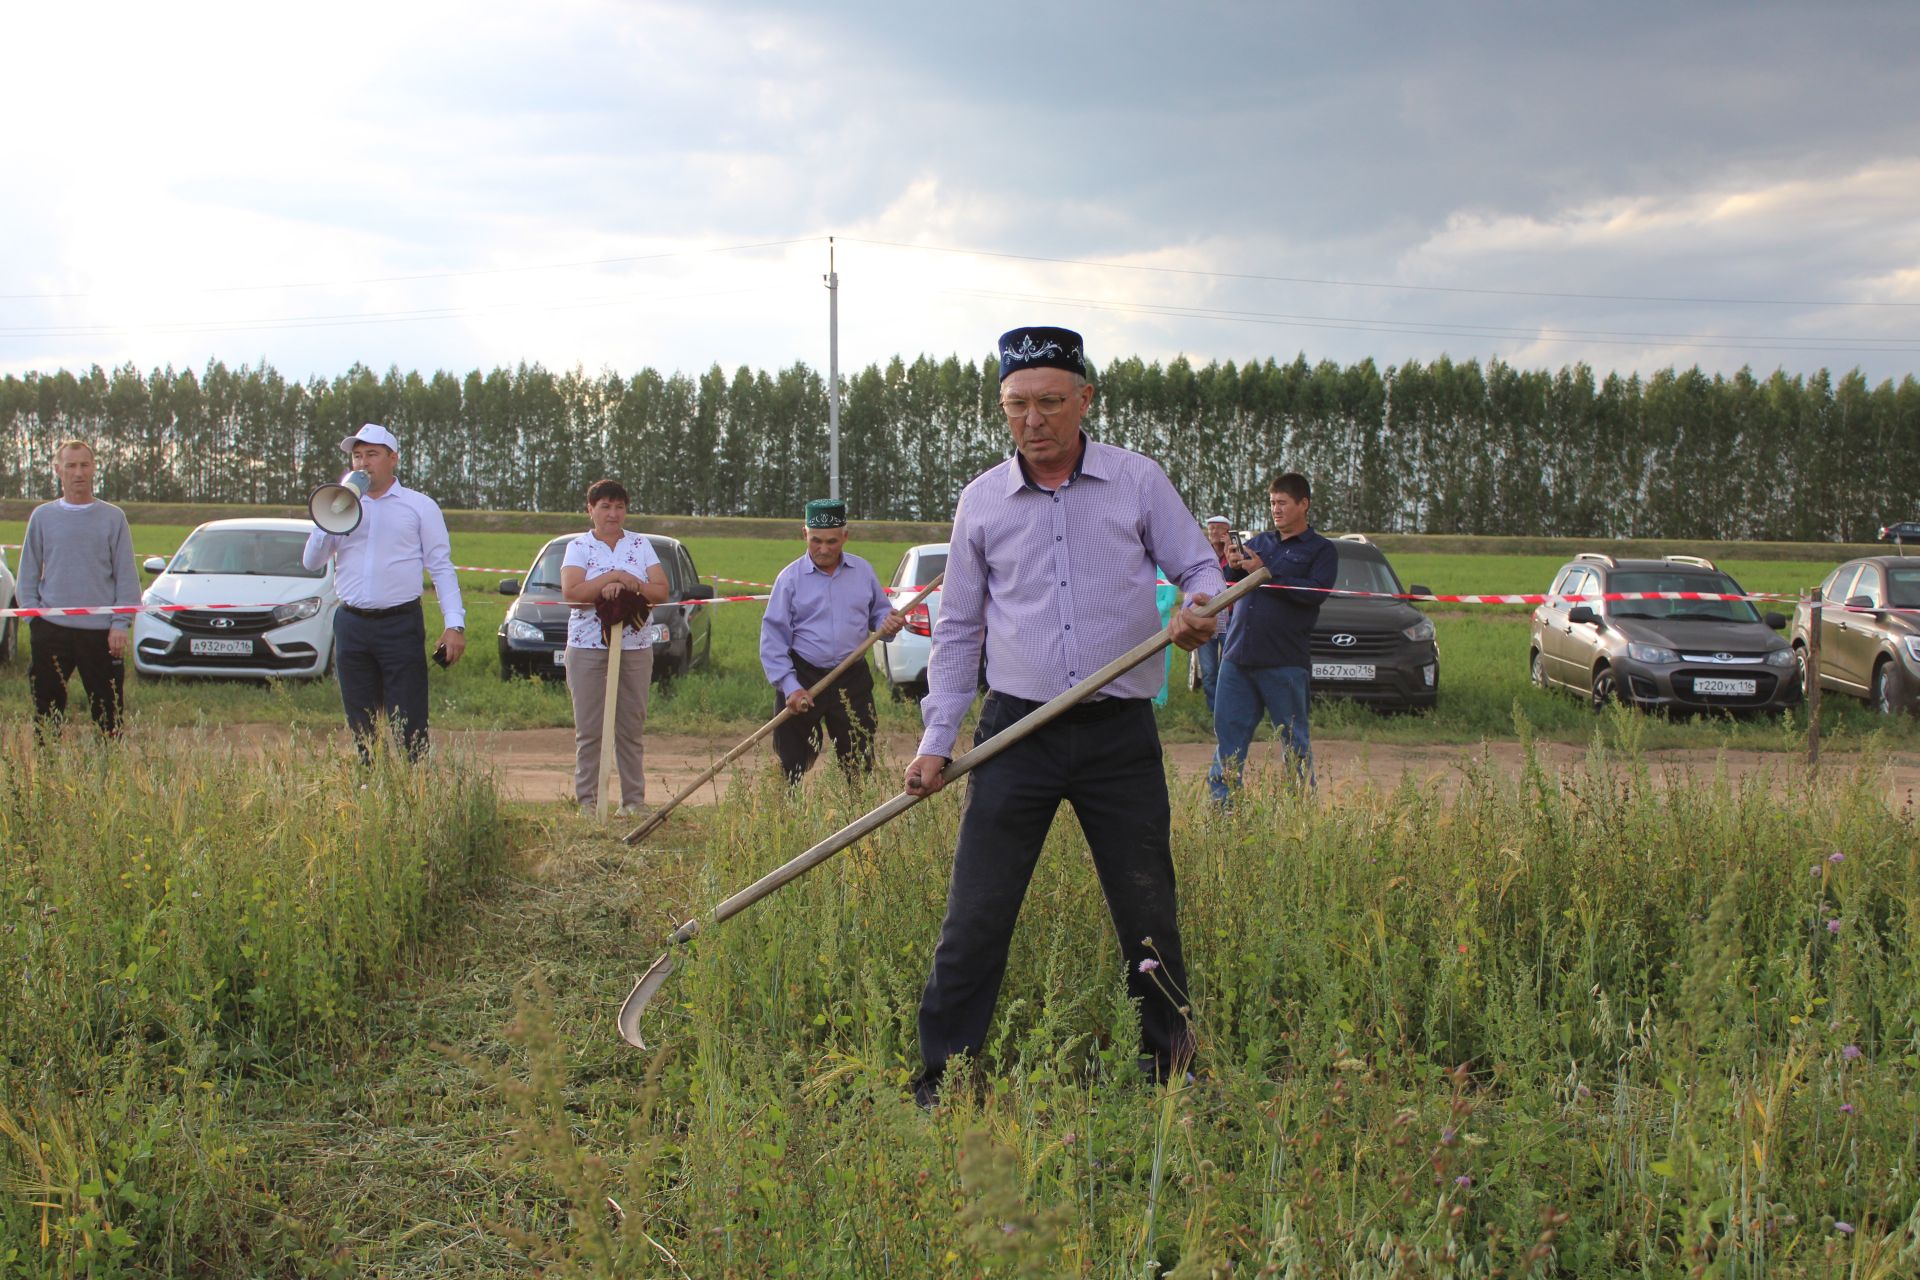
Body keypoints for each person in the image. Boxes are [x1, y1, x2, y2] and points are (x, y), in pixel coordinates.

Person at [904, 325, 1224, 1104]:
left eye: (1051, 402)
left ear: (1085, 400)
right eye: (1017, 404)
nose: (1034, 420)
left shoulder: (1137, 482)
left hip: (1118, 734)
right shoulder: (981, 502)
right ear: (1002, 406)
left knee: (1147, 911)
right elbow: (959, 629)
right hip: (1017, 734)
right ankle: (943, 1081)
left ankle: (1171, 1073)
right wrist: (936, 739)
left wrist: (1199, 606)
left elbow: (1200, 566)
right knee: (975, 913)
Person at [302, 424, 466, 760]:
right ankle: (370, 784)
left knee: (408, 715)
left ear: (393, 459)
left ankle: (413, 785)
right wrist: (328, 518)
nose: (363, 463)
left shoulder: (418, 507)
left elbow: (441, 568)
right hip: (351, 624)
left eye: (372, 455)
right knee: (360, 715)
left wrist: (454, 624)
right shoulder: (339, 506)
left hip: (399, 624)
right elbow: (311, 560)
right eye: (357, 456)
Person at [1206, 472, 1338, 802]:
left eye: (1282, 503)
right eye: (1271, 503)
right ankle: (1225, 812)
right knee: (1228, 741)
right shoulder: (1261, 543)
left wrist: (1265, 572)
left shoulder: (1321, 550)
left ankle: (1297, 814)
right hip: (1237, 659)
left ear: (1303, 504)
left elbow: (1315, 593)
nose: (1275, 509)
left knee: (1295, 745)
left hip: (1284, 663)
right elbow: (1228, 581)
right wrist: (1234, 565)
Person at [759, 499, 906, 784]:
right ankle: (786, 821)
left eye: (831, 541)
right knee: (791, 764)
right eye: (816, 541)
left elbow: (879, 615)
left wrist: (888, 623)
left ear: (845, 537)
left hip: (851, 676)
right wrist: (791, 687)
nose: (823, 549)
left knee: (859, 759)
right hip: (804, 677)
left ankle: (857, 818)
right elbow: (773, 640)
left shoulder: (862, 572)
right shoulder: (789, 580)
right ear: (805, 534)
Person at [560, 479, 671, 814]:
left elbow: (660, 590)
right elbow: (573, 592)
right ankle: (589, 802)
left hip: (635, 647)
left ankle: (633, 801)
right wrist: (609, 579)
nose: (613, 513)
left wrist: (631, 582)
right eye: (605, 506)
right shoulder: (578, 546)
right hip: (587, 647)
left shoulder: (641, 545)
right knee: (590, 729)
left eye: (619, 506)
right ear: (590, 509)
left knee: (630, 727)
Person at [15, 439, 140, 735]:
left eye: (84, 465)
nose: (78, 472)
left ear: (94, 469)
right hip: (51, 630)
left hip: (101, 634)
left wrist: (120, 624)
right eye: (71, 466)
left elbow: (125, 575)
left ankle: (108, 772)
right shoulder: (43, 517)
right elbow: (28, 572)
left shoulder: (113, 518)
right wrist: (34, 619)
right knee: (46, 710)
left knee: (108, 712)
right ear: (58, 470)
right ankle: (48, 772)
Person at [1194, 515, 1235, 713]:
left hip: (1229, 617)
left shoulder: (1234, 554)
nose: (1214, 532)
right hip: (1207, 616)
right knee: (1209, 670)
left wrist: (1229, 550)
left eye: (1218, 528)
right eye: (1210, 528)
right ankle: (1214, 712)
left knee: (1230, 667)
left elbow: (1235, 578)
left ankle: (1229, 710)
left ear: (1227, 531)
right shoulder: (1202, 555)